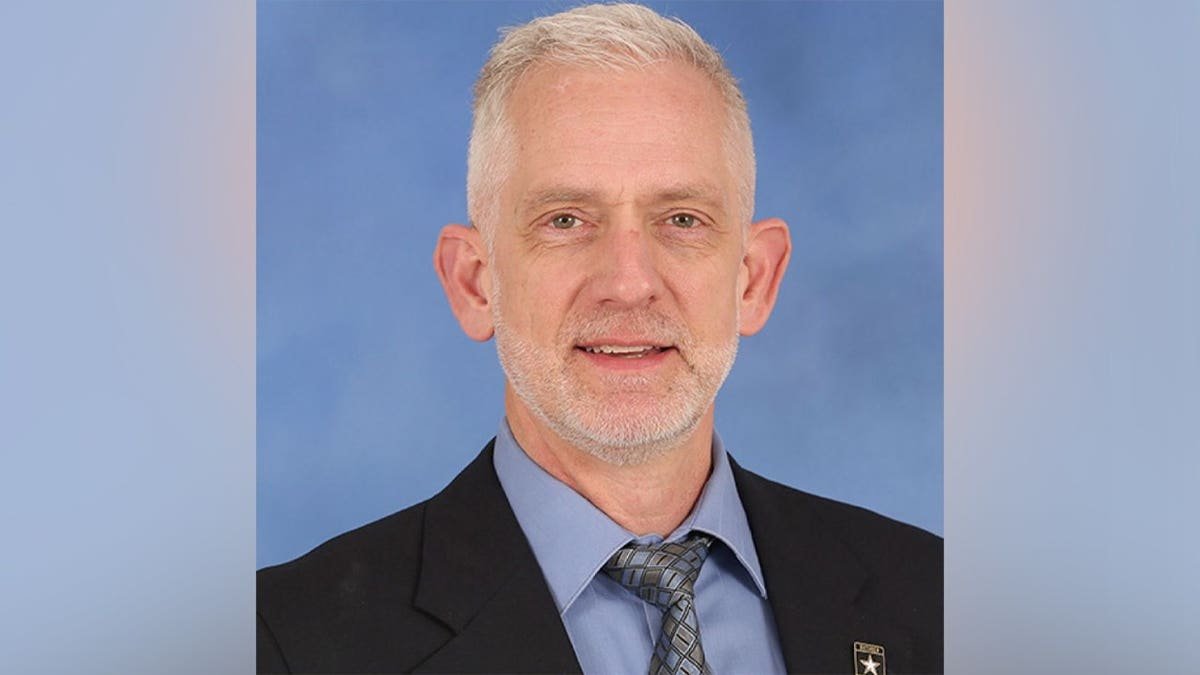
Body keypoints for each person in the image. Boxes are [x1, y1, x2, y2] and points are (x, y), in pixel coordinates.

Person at [257, 4, 941, 674]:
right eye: (565, 220)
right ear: (474, 283)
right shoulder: (285, 641)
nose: (628, 281)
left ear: (753, 279)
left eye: (681, 217)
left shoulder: (936, 602)